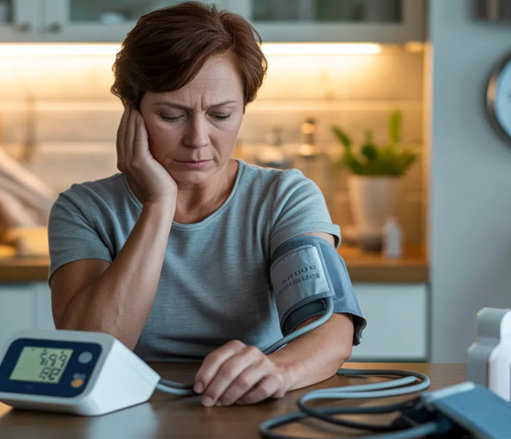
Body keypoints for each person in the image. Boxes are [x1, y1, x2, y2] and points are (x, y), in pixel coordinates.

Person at [48, 2, 366, 408]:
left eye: (220, 115)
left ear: (243, 110)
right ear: (131, 111)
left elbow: (331, 330)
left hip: (255, 403)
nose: (197, 139)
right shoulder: (84, 209)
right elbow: (89, 349)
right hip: (125, 410)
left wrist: (278, 371)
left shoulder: (284, 198)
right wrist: (159, 203)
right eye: (171, 115)